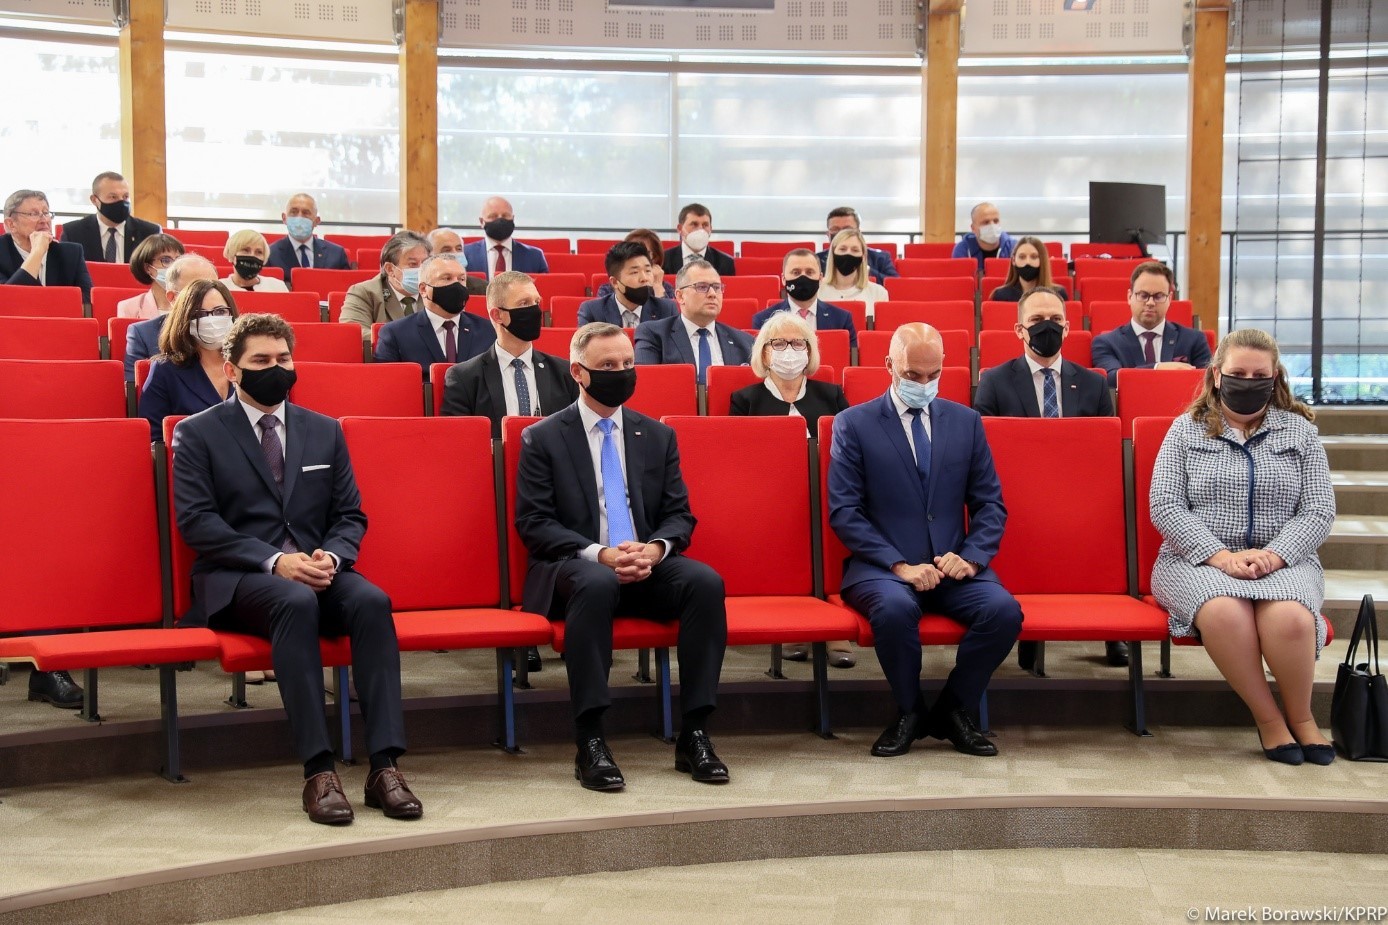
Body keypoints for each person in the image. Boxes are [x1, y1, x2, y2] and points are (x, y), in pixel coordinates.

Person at [172, 313, 423, 823]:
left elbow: (350, 515)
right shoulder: (197, 433)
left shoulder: (324, 430)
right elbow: (197, 522)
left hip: (317, 569)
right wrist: (274, 561)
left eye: (283, 358)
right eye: (261, 360)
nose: (276, 368)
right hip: (239, 579)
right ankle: (319, 770)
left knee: (372, 602)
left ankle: (385, 767)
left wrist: (331, 556)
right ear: (232, 369)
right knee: (292, 599)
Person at [515, 322, 730, 791]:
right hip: (578, 566)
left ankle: (695, 733)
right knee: (596, 583)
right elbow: (535, 524)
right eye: (608, 365)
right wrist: (604, 555)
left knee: (705, 582)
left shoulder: (656, 435)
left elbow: (679, 515)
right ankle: (590, 740)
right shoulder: (542, 437)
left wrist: (654, 549)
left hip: (645, 562)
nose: (621, 373)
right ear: (578, 372)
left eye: (628, 364)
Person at [828, 323, 1021, 758]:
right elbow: (845, 512)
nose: (924, 384)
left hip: (954, 566)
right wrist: (899, 565)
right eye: (913, 375)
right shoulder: (853, 424)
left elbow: (990, 504)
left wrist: (970, 559)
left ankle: (953, 709)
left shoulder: (966, 422)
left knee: (1003, 611)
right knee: (895, 610)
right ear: (889, 366)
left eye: (933, 375)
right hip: (883, 569)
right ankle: (909, 711)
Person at [1149, 327, 1335, 766]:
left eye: (1259, 376)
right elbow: (1165, 505)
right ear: (1217, 375)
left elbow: (1319, 510)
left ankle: (1302, 717)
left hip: (1284, 558)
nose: (1248, 382)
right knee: (1224, 613)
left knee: (1292, 619)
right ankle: (1269, 720)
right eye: (1238, 373)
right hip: (1195, 559)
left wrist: (1274, 555)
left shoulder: (1300, 433)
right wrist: (1222, 557)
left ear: (1275, 378)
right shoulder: (1185, 430)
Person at [972, 288, 1123, 668]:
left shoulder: (1093, 383)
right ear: (1019, 329)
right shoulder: (995, 380)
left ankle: (1112, 632)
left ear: (1068, 328)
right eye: (1037, 321)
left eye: (1055, 320)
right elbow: (982, 449)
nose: (1047, 327)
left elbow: (1104, 453)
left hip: (1079, 495)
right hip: (1016, 494)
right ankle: (1025, 628)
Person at [730, 312, 853, 668]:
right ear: (764, 352)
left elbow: (849, 448)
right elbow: (738, 458)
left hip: (826, 493)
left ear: (810, 351)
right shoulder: (745, 399)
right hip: (768, 499)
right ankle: (794, 624)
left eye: (798, 343)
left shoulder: (831, 394)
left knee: (839, 523)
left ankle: (835, 628)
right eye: (779, 343)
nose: (789, 350)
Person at [442, 270, 578, 435]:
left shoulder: (564, 373)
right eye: (524, 303)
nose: (535, 310)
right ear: (497, 315)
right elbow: (459, 439)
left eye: (536, 302)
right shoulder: (464, 378)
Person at [139, 279, 239, 440]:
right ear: (185, 320)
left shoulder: (250, 363)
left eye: (220, 311)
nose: (211, 319)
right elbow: (153, 439)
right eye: (200, 314)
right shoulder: (165, 370)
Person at [634, 259, 754, 384]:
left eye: (717, 287)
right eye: (702, 287)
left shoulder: (745, 342)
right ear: (680, 296)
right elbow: (645, 383)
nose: (712, 294)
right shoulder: (654, 334)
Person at [1091, 261, 1211, 386]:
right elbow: (1110, 378)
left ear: (1169, 299)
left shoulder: (1194, 340)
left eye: (1158, 296)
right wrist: (1157, 368)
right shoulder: (1106, 343)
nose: (1150, 303)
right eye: (1143, 295)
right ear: (1129, 297)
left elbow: (1209, 383)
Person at [374, 255, 496, 375]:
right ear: (423, 289)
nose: (457, 285)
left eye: (461, 279)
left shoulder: (489, 330)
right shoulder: (395, 333)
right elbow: (386, 381)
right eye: (447, 278)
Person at [125, 254, 219, 381]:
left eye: (214, 288)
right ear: (172, 297)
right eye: (195, 290)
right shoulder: (144, 334)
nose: (209, 295)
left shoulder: (233, 330)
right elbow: (135, 387)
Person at [751, 249, 858, 348]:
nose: (803, 277)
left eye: (809, 272)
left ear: (820, 278)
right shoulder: (763, 320)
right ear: (784, 279)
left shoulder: (842, 319)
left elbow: (850, 358)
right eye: (796, 272)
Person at [0, 189, 93, 299]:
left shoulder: (71, 253)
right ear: (11, 224)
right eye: (34, 214)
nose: (44, 220)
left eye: (45, 213)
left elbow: (87, 302)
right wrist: (37, 252)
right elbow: (7, 300)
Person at [339, 231, 432, 338]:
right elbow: (354, 334)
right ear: (390, 269)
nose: (421, 269)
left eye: (425, 263)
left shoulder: (436, 291)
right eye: (413, 264)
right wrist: (406, 341)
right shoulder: (364, 293)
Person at [60, 171, 161, 264]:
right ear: (94, 200)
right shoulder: (73, 233)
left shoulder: (150, 233)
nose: (121, 202)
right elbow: (65, 272)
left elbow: (161, 273)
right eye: (113, 197)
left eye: (125, 197)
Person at [578, 241, 677, 327]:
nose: (644, 278)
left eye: (647, 271)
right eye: (634, 272)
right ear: (615, 282)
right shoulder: (592, 311)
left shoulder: (667, 310)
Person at [266, 193, 351, 284]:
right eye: (293, 212)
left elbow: (346, 288)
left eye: (306, 213)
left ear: (316, 221)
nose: (299, 217)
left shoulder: (336, 254)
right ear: (284, 218)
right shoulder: (270, 255)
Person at [463, 196, 549, 278]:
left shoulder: (535, 256)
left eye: (505, 215)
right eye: (493, 216)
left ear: (513, 219)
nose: (500, 220)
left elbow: (544, 286)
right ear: (482, 222)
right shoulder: (465, 254)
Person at [818, 228, 890, 317]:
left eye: (855, 250)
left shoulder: (879, 293)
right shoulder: (818, 290)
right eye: (842, 249)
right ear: (833, 253)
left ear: (863, 257)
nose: (848, 253)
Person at [816, 206, 898, 279]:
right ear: (828, 234)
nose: (841, 234)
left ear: (858, 232)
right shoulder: (817, 260)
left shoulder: (880, 258)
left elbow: (895, 284)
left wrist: (864, 269)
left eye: (847, 229)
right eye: (835, 229)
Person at [117, 233, 186, 319]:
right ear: (148, 268)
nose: (174, 265)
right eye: (166, 260)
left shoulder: (193, 305)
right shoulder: (129, 307)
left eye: (179, 259)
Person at [595, 229, 676, 300]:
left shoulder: (666, 288)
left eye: (644, 253)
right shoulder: (608, 289)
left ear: (655, 258)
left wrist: (657, 287)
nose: (637, 258)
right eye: (632, 252)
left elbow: (669, 312)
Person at [986, 235, 1068, 302]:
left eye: (1034, 257)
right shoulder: (1001, 295)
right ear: (1014, 260)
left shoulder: (1058, 294)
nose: (1027, 262)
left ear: (1042, 260)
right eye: (1022, 257)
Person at [662, 204, 736, 276]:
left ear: (710, 229)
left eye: (705, 225)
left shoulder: (725, 263)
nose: (700, 229)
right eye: (694, 224)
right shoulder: (663, 260)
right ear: (680, 229)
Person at [952, 202, 1015, 272]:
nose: (992, 226)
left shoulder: (1014, 247)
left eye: (996, 221)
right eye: (986, 222)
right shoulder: (962, 249)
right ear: (973, 228)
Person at [222, 230, 288, 293]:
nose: (252, 256)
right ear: (232, 255)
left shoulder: (277, 287)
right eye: (245, 250)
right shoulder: (219, 289)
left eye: (259, 252)